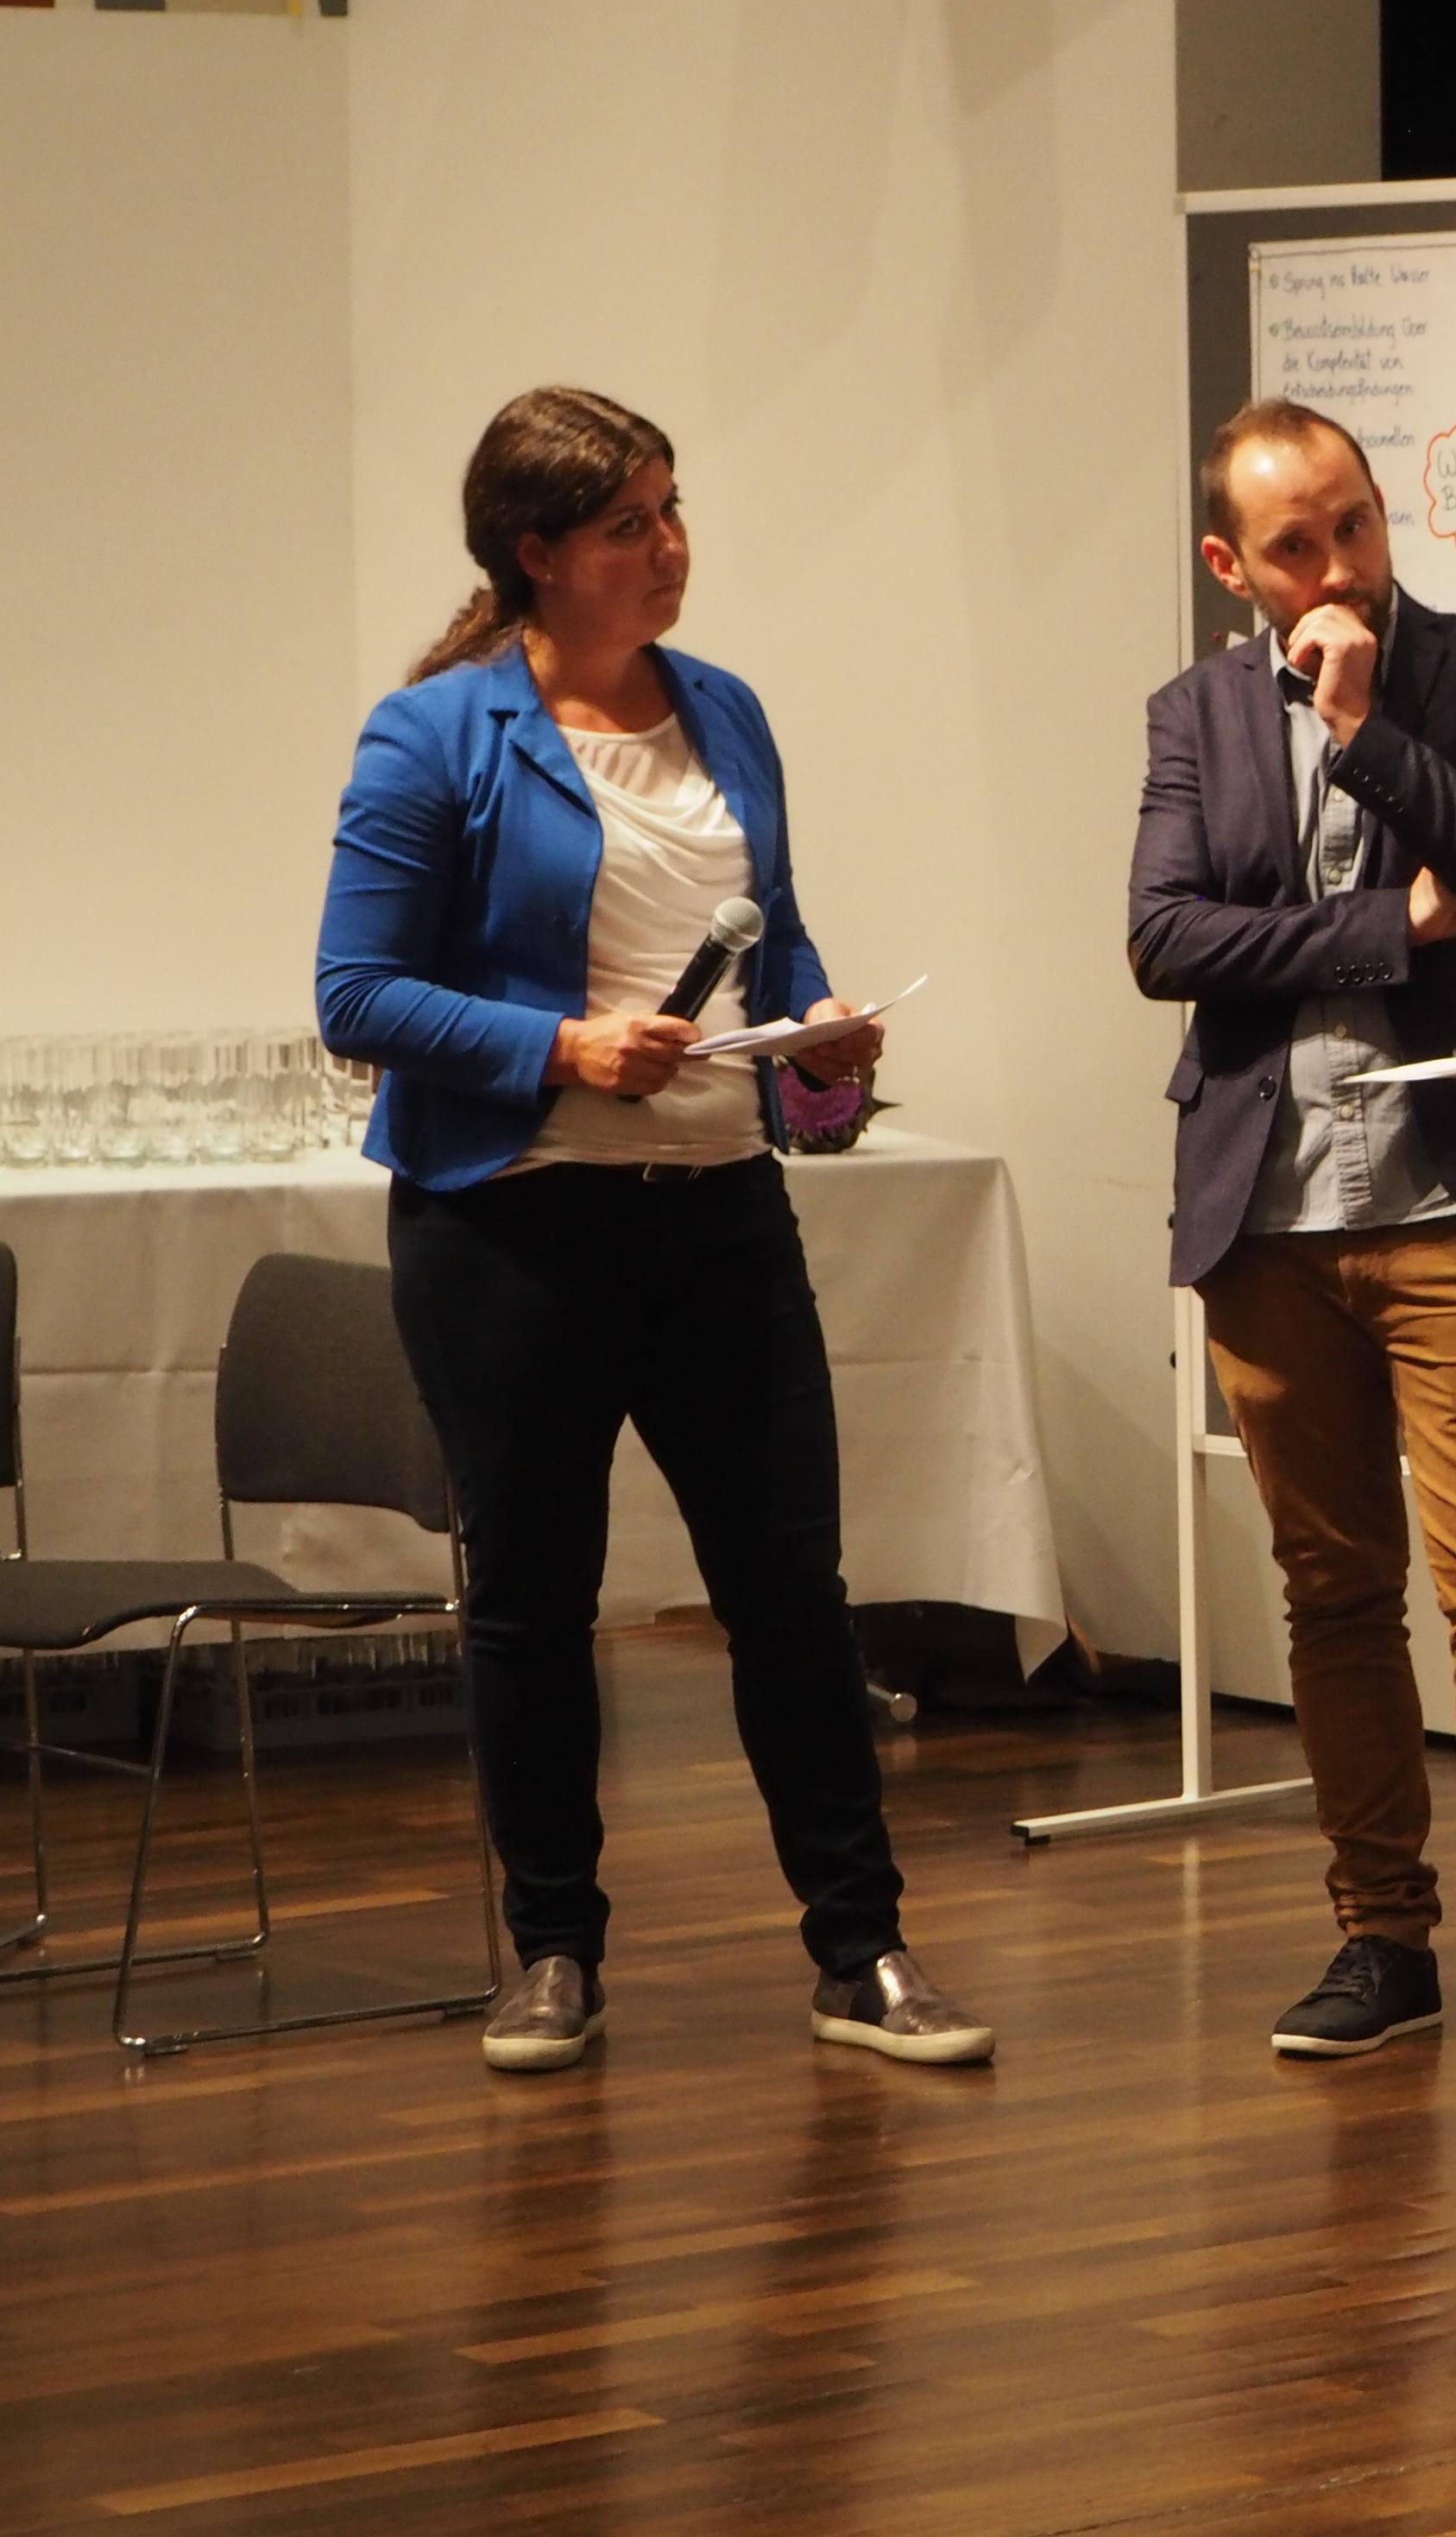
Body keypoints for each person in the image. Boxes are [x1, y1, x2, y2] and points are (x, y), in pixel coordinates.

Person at [318, 387, 992, 2074]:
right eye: (631, 524)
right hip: (512, 1230)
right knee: (534, 1602)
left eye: (674, 509)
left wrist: (819, 1039)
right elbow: (355, 994)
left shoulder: (726, 710)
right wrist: (561, 1047)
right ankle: (554, 1951)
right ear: (537, 554)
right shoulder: (435, 734)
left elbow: (771, 942)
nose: (671, 546)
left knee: (792, 1592)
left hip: (718, 1213)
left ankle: (863, 1951)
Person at [1129, 398, 1456, 2102]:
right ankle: (1382, 1942)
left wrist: (1363, 731)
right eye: (1295, 545)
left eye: (1353, 522)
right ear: (1232, 565)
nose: (1339, 564)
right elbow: (1164, 937)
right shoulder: (1196, 713)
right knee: (1335, 1597)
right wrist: (1384, 925)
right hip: (1268, 1216)